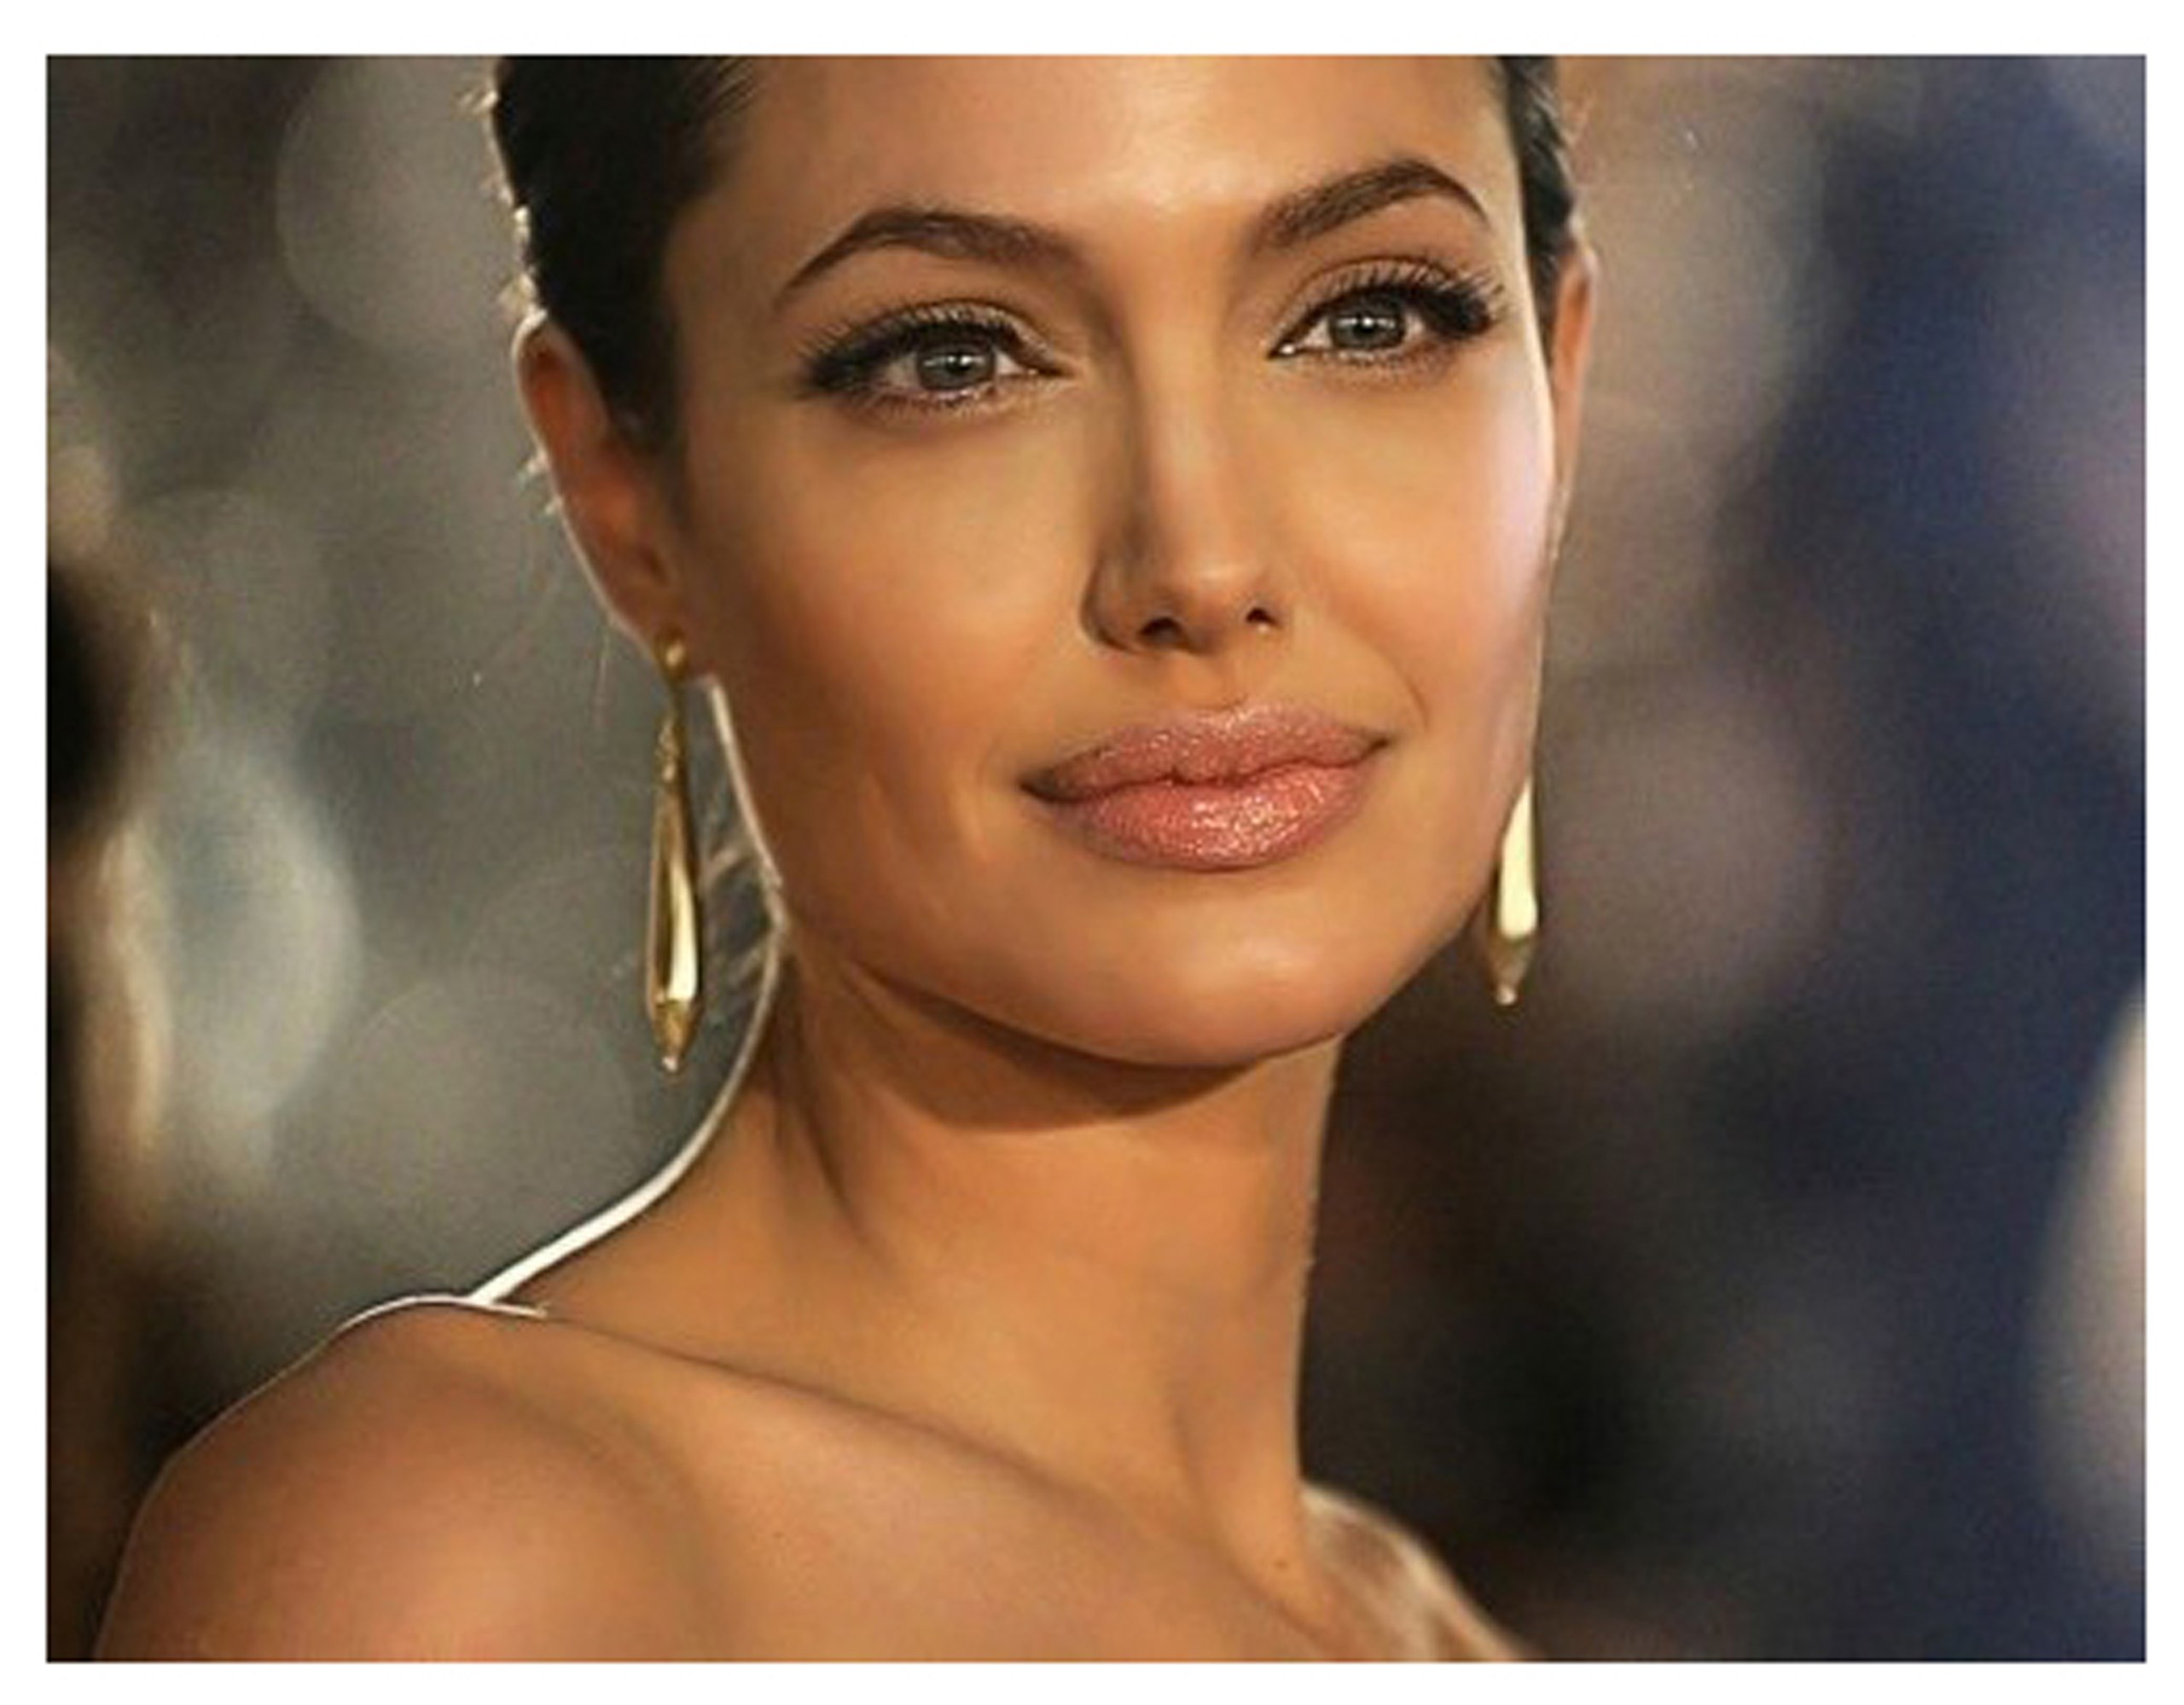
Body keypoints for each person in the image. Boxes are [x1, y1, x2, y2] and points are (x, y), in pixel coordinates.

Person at [96, 55, 1595, 1660]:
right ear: (622, 495)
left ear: (1561, 390)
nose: (1202, 563)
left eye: (1369, 321)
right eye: (954, 361)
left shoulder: (1445, 1645)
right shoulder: (455, 1561)